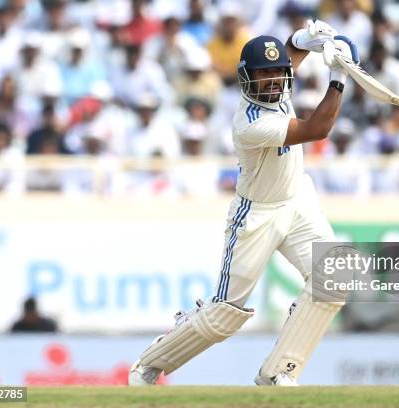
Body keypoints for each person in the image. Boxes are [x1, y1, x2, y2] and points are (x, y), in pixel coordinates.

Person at [128, 20, 354, 386]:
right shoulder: (249, 123)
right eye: (262, 75)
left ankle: (279, 372)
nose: (272, 82)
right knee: (224, 316)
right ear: (246, 79)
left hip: (297, 200)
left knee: (334, 275)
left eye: (277, 74)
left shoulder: (279, 85)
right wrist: (339, 75)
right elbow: (317, 129)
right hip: (257, 215)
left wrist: (305, 39)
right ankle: (150, 362)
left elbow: (287, 55)